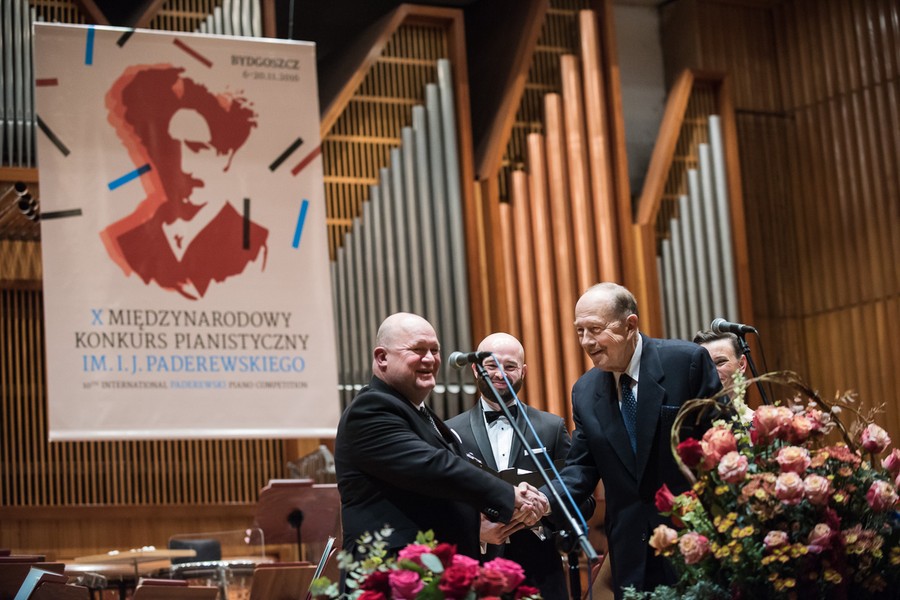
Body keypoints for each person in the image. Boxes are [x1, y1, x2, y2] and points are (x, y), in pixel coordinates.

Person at [543, 283, 722, 598]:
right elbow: (580, 469)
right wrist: (542, 500)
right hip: (630, 554)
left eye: (595, 329)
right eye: (579, 331)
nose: (586, 342)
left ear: (630, 326)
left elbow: (722, 443)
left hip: (693, 539)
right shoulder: (584, 391)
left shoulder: (686, 362)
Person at [334, 313, 548, 559]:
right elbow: (434, 467)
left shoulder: (418, 412)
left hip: (430, 565)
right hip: (390, 569)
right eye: (418, 349)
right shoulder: (370, 409)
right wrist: (509, 495)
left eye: (434, 350)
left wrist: (484, 514)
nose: (429, 358)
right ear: (382, 357)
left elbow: (435, 491)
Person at [101, 65, 267, 299]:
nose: (183, 167)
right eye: (171, 149)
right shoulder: (129, 246)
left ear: (226, 156)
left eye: (197, 149)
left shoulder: (256, 247)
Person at [446, 332, 583, 600]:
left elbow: (582, 498)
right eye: (491, 366)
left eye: (510, 366)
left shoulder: (551, 428)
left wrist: (545, 506)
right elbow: (443, 503)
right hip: (477, 573)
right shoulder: (451, 432)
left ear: (524, 371)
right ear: (475, 369)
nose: (500, 374)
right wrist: (476, 531)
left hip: (541, 572)